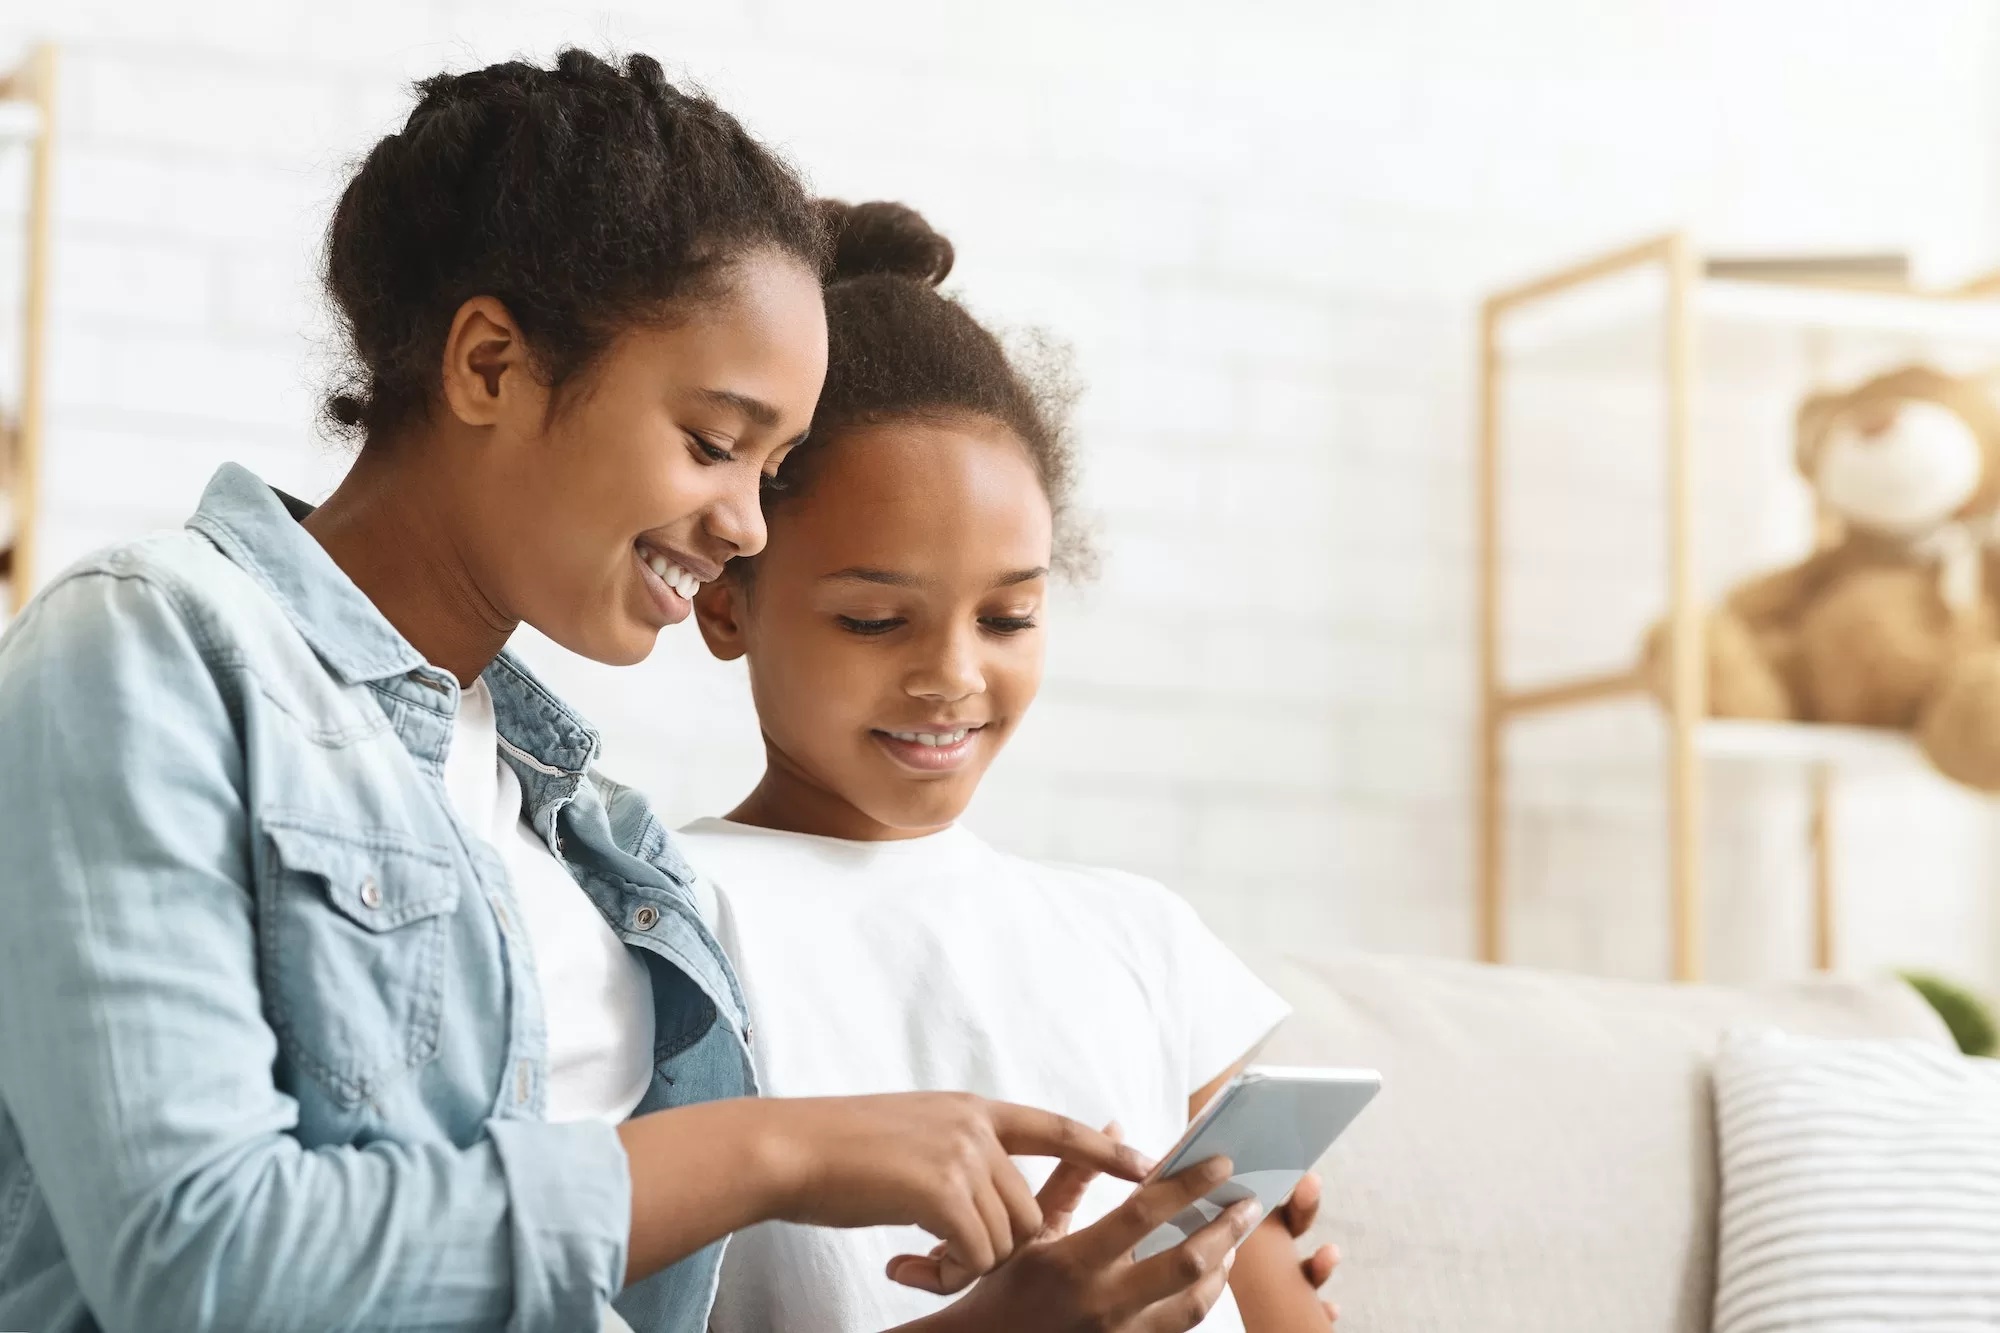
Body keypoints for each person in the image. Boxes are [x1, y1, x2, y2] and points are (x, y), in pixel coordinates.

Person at [0, 53, 1262, 1333]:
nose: (746, 526)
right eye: (714, 444)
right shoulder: (153, 645)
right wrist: (772, 1150)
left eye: (769, 469)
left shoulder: (590, 836)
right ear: (490, 365)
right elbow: (198, 1258)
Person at [680, 199, 1344, 1332]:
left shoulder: (1140, 938)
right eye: (874, 620)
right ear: (723, 600)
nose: (952, 676)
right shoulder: (669, 916)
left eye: (1008, 617)